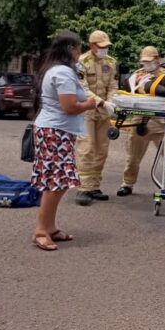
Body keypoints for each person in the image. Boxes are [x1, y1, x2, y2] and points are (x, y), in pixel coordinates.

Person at [30, 31, 98, 251]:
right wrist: (90, 104)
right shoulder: (63, 73)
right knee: (55, 183)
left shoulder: (58, 70)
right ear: (71, 49)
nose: (80, 53)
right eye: (78, 48)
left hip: (55, 131)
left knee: (56, 182)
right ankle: (41, 230)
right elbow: (69, 107)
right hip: (55, 132)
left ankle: (49, 227)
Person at [116, 46, 165, 198]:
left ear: (157, 59)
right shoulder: (137, 75)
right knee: (132, 158)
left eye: (149, 61)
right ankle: (127, 184)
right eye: (144, 62)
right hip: (139, 121)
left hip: (160, 123)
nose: (146, 64)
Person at [75, 30, 118, 206]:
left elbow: (113, 84)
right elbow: (82, 87)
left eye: (106, 47)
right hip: (86, 111)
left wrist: (111, 102)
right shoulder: (81, 63)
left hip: (104, 113)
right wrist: (101, 102)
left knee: (102, 149)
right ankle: (83, 189)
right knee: (86, 148)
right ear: (92, 45)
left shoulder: (111, 62)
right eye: (101, 47)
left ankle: (94, 186)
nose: (104, 50)